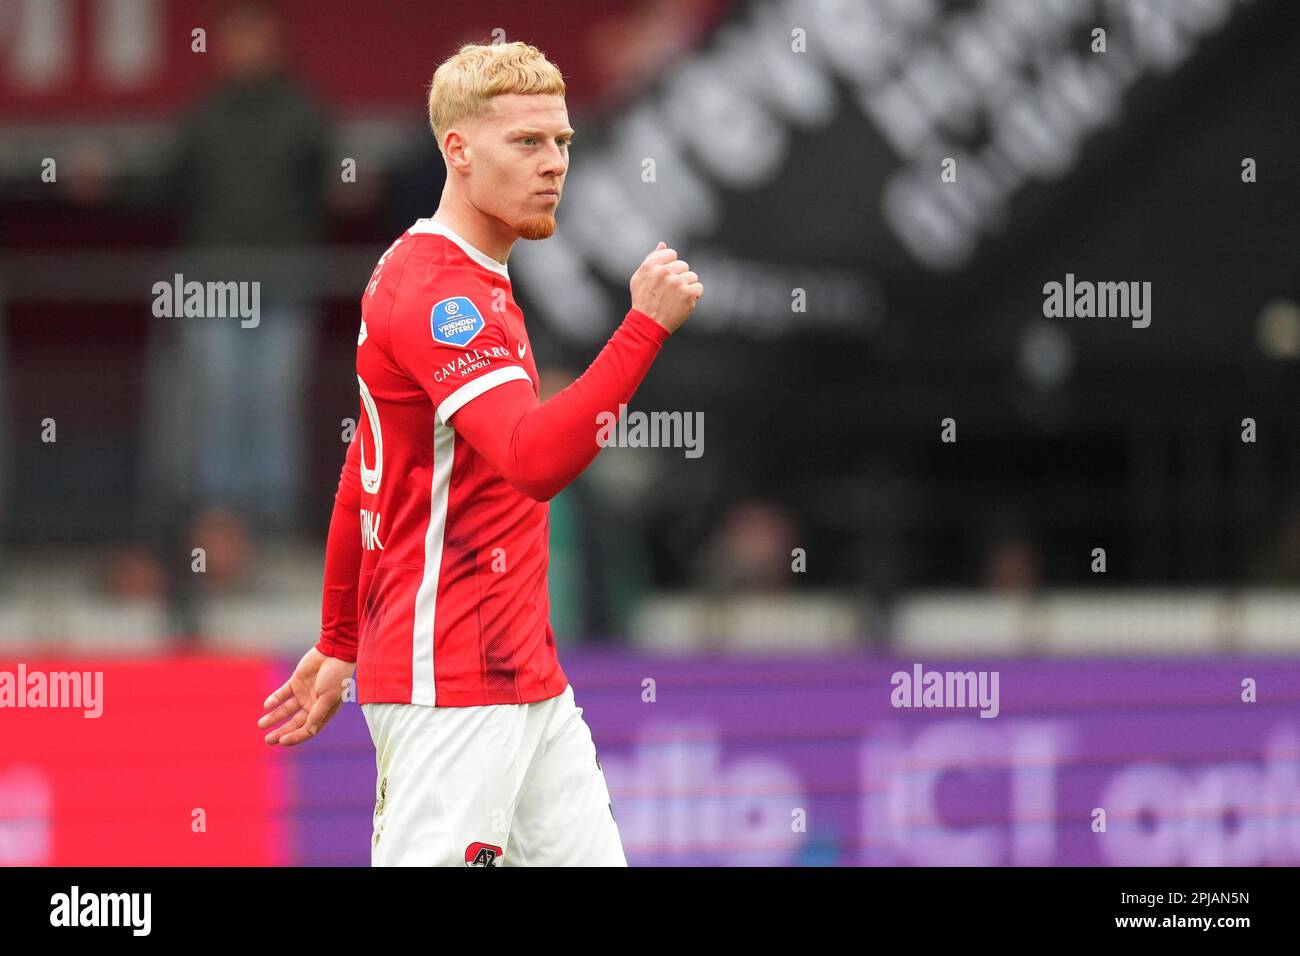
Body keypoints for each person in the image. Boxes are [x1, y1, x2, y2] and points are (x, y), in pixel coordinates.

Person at [257, 41, 702, 866]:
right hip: (449, 683)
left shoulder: (447, 271)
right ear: (458, 150)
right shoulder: (442, 298)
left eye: (562, 142)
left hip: (526, 678)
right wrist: (642, 330)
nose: (553, 164)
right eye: (526, 143)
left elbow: (366, 473)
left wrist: (339, 635)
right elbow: (532, 462)